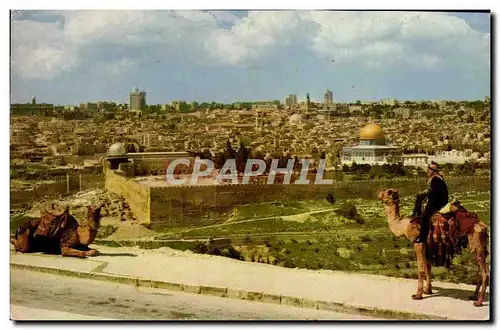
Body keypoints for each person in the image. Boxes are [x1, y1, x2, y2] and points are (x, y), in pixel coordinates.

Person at [412, 161, 449, 243]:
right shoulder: (438, 178)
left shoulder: (435, 179)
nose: (427, 172)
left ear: (433, 171)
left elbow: (433, 192)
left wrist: (424, 194)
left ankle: (422, 237)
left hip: (437, 202)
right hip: (439, 201)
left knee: (425, 217)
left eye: (429, 170)